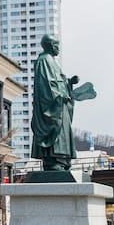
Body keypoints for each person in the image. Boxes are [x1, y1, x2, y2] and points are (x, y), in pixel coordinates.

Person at [30, 35, 78, 171]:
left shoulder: (53, 62)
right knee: (56, 130)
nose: (58, 48)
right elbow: (45, 85)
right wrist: (58, 95)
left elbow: (59, 82)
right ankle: (52, 161)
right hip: (54, 103)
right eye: (56, 44)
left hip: (61, 103)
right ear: (50, 45)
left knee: (64, 132)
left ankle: (63, 161)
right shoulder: (44, 60)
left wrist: (69, 83)